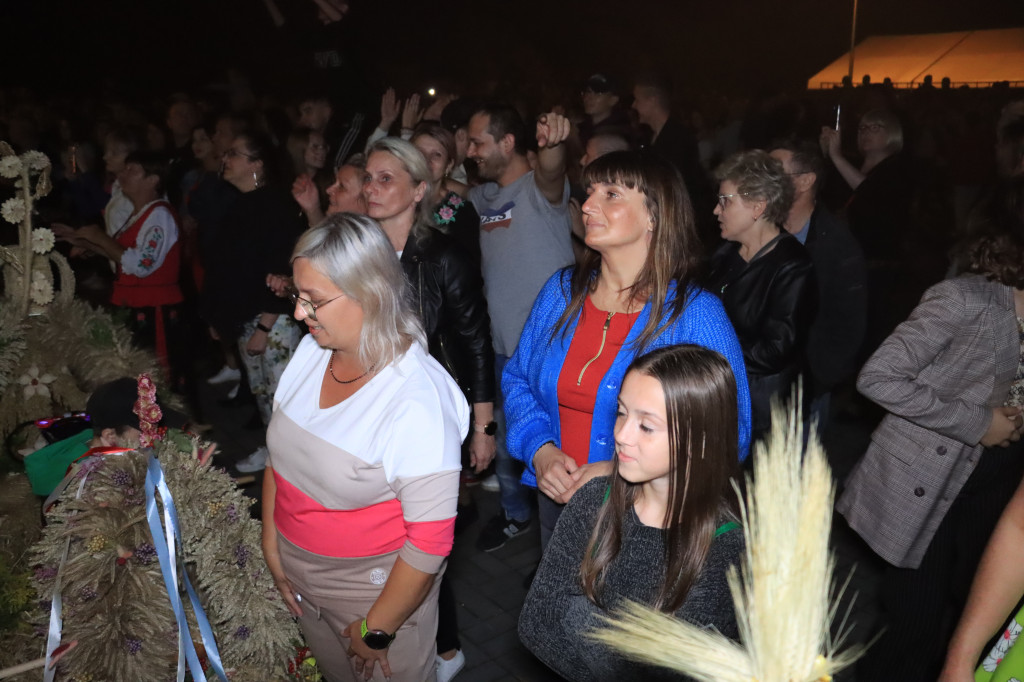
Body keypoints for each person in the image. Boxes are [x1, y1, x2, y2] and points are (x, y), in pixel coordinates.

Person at [503, 149, 751, 550]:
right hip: (557, 502)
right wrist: (540, 449)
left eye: (611, 194)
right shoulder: (561, 293)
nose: (587, 205)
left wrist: (620, 470)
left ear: (654, 215)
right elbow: (518, 380)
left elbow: (728, 431)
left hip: (645, 515)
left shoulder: (694, 315)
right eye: (590, 192)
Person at [262, 213, 468, 682]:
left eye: (312, 300)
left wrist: (378, 629)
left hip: (374, 599)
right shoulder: (313, 351)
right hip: (303, 583)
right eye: (298, 295)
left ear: (369, 292)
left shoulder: (415, 398)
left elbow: (430, 542)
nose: (298, 313)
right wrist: (273, 545)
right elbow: (279, 455)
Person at [837, 175, 1024, 682]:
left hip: (1004, 481)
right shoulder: (965, 300)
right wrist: (978, 422)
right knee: (913, 625)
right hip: (929, 481)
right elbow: (877, 377)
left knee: (981, 609)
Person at [518, 344, 744, 681]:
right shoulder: (595, 498)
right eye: (622, 412)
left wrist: (579, 615)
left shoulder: (726, 549)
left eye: (646, 426)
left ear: (699, 440)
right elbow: (535, 625)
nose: (621, 435)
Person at [363, 137, 495, 680]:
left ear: (419, 190)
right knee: (382, 531)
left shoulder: (443, 257)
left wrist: (484, 427)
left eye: (386, 178)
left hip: (428, 415)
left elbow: (475, 342)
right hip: (368, 410)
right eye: (367, 178)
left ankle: (445, 650)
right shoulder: (356, 250)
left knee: (423, 537)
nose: (372, 188)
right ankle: (389, 628)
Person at [467, 103, 577, 551]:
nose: (471, 151)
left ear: (507, 143)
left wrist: (553, 146)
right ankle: (516, 516)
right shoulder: (481, 199)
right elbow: (441, 200)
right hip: (504, 347)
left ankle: (566, 537)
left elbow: (552, 170)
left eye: (478, 143)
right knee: (513, 440)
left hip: (555, 347)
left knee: (561, 446)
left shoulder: (539, 189)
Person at [200, 132, 305, 473]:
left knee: (281, 397)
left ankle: (290, 464)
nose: (225, 159)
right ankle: (276, 455)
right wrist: (221, 317)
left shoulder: (275, 205)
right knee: (263, 395)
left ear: (256, 164)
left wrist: (264, 325)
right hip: (249, 319)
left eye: (234, 153)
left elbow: (282, 268)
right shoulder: (240, 204)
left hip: (272, 322)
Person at [52, 151, 188, 391]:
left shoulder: (159, 215)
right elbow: (123, 255)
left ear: (153, 179)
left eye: (132, 171)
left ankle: (170, 426)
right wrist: (83, 241)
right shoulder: (141, 213)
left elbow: (142, 265)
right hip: (137, 303)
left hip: (155, 308)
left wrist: (100, 239)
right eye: (124, 169)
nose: (122, 175)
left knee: (159, 375)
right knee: (140, 372)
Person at [705, 150, 815, 440]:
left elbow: (776, 350)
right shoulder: (725, 253)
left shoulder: (792, 265)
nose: (716, 210)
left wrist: (708, 345)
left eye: (725, 201)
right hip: (723, 398)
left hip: (764, 414)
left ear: (757, 206)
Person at [769, 140, 866, 429]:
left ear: (804, 182)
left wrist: (818, 378)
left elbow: (848, 324)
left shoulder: (837, 246)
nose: (761, 180)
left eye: (773, 172)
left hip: (804, 387)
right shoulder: (753, 229)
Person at [412, 123, 480, 263]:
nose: (426, 160)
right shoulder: (393, 200)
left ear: (448, 165)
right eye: (419, 153)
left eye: (436, 155)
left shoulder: (463, 213)